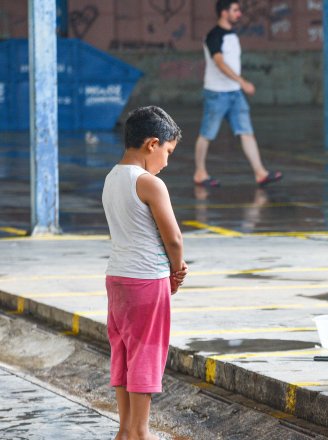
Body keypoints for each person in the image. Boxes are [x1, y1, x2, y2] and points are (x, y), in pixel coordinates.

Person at [102, 106, 188, 440]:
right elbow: (174, 238)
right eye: (168, 152)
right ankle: (140, 432)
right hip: (147, 282)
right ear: (152, 144)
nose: (167, 161)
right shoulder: (149, 183)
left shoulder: (111, 178)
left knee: (123, 353)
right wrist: (176, 271)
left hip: (117, 279)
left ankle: (125, 430)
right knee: (146, 355)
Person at [193, 0, 282, 188]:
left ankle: (260, 173)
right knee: (207, 134)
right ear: (224, 13)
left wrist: (238, 86)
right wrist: (242, 82)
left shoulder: (232, 35)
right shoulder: (214, 36)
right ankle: (200, 173)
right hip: (217, 94)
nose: (239, 14)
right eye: (235, 10)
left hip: (235, 94)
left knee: (247, 133)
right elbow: (220, 63)